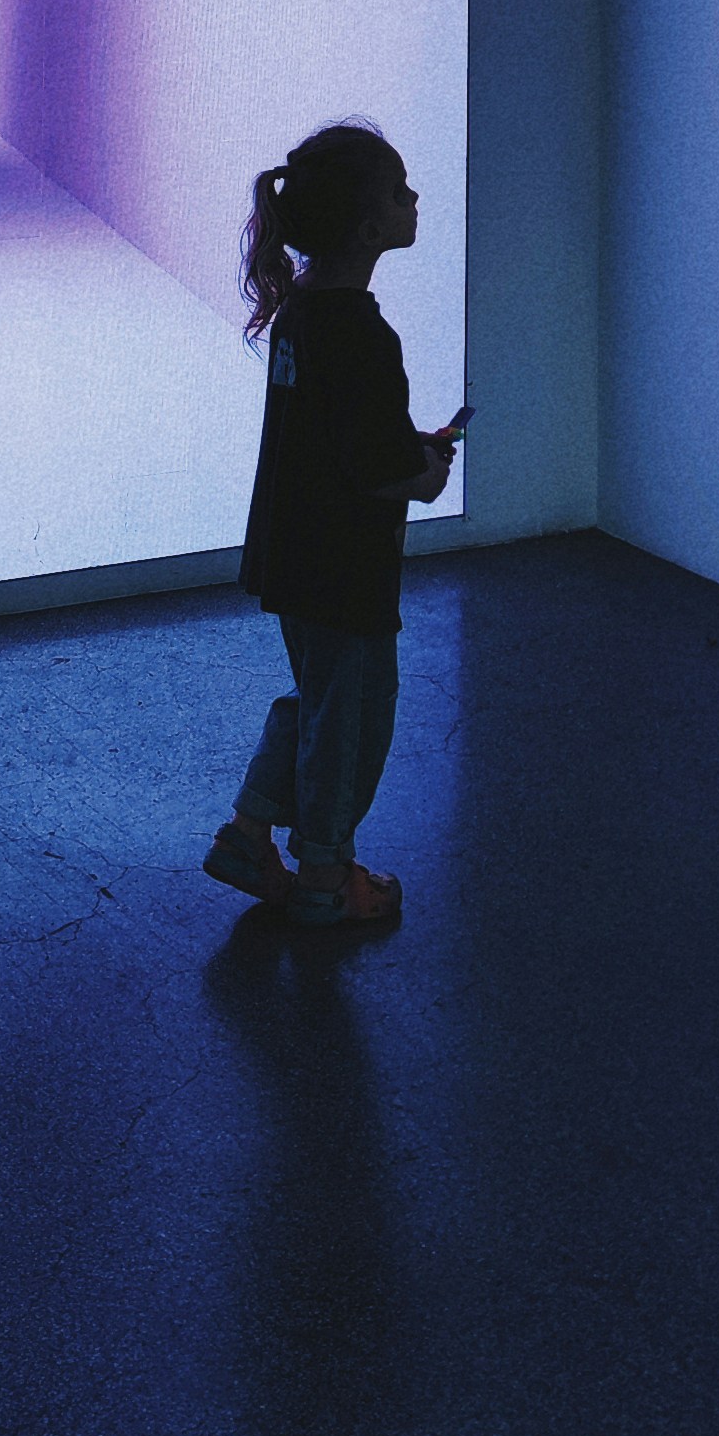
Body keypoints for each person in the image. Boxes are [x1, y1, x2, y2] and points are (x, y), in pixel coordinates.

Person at [205, 123, 458, 930]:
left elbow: (335, 436)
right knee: (352, 720)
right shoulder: (360, 330)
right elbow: (382, 471)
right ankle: (326, 876)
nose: (413, 201)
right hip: (345, 566)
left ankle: (251, 832)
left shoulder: (302, 314)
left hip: (292, 554)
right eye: (398, 191)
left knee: (318, 701)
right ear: (367, 226)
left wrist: (399, 448)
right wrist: (424, 470)